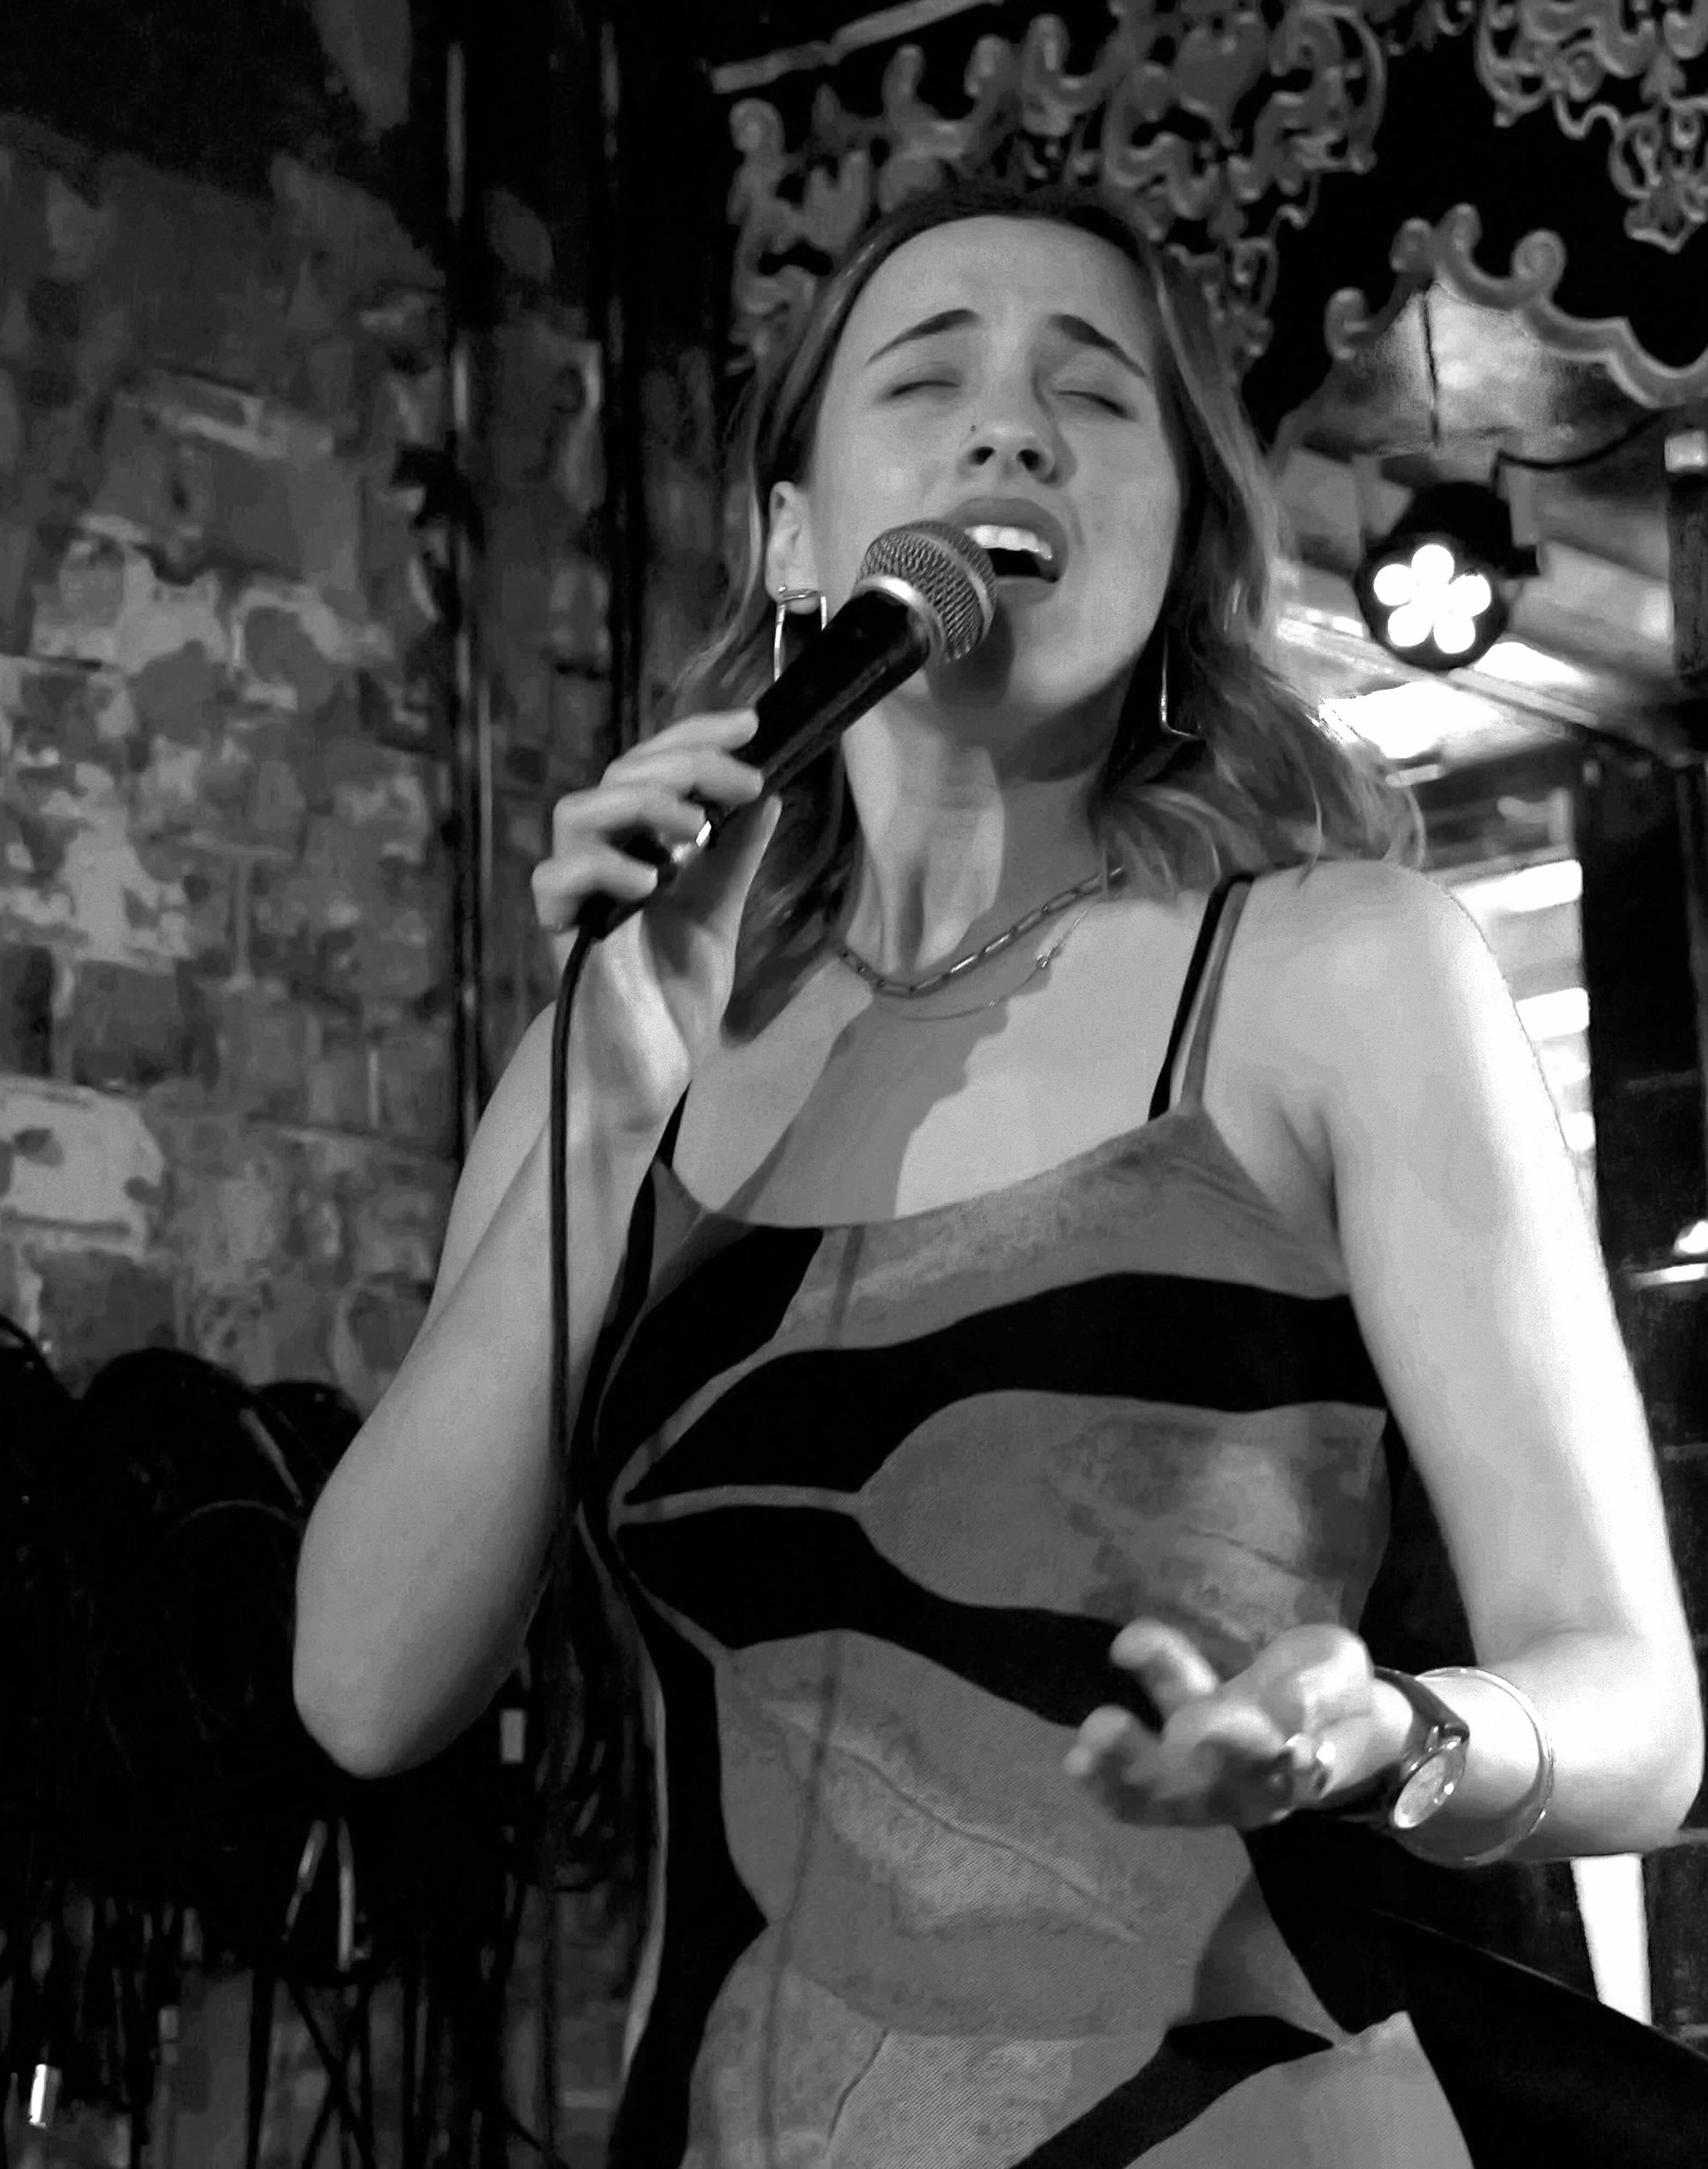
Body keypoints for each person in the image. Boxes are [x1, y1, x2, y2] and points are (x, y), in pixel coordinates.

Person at [291, 173, 1706, 2166]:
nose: (1008, 425)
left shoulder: (1331, 972)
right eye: (924, 375)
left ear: (1181, 531)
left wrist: (1388, 1728)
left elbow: (1636, 1710)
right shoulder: (626, 1038)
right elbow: (361, 1689)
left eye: (1093, 394)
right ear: (789, 530)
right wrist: (611, 1096)